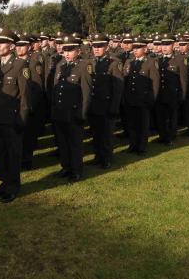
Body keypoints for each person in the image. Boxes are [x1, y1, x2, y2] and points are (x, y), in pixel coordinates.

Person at [0, 29, 30, 202]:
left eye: (2, 43)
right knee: (0, 153)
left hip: (12, 119)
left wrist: (22, 119)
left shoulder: (20, 65)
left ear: (11, 46)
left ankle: (13, 186)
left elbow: (25, 96)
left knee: (12, 154)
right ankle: (4, 182)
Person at [50, 35, 90, 181]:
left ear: (78, 51)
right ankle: (66, 167)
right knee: (63, 143)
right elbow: (56, 89)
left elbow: (86, 93)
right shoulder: (61, 65)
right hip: (60, 111)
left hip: (74, 112)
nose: (67, 53)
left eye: (70, 50)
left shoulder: (84, 66)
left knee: (75, 143)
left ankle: (76, 170)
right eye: (65, 50)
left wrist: (82, 114)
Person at [86, 34, 123, 168]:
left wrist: (114, 108)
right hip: (93, 105)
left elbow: (118, 89)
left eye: (100, 46)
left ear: (106, 47)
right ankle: (97, 157)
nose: (96, 49)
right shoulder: (89, 62)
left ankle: (106, 159)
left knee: (106, 134)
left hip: (106, 105)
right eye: (94, 46)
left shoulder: (114, 63)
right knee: (96, 134)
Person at [122, 37, 160, 154]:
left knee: (143, 125)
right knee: (132, 124)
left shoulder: (151, 62)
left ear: (145, 49)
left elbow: (155, 83)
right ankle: (133, 145)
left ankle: (141, 147)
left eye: (138, 48)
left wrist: (151, 99)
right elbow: (125, 81)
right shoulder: (129, 62)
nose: (135, 50)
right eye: (134, 48)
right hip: (130, 99)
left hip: (143, 100)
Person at [17, 34, 46, 170]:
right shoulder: (15, 62)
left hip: (29, 106)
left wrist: (30, 107)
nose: (19, 48)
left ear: (29, 47)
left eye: (22, 45)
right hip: (17, 106)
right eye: (17, 45)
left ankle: (26, 161)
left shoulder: (34, 63)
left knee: (28, 136)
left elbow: (37, 87)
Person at [154, 34, 187, 145]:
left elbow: (183, 80)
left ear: (173, 45)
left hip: (172, 94)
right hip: (160, 94)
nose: (164, 47)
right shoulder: (157, 60)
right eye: (163, 44)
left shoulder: (180, 59)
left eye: (167, 45)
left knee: (172, 117)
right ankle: (162, 136)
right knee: (160, 116)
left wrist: (182, 95)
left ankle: (171, 136)